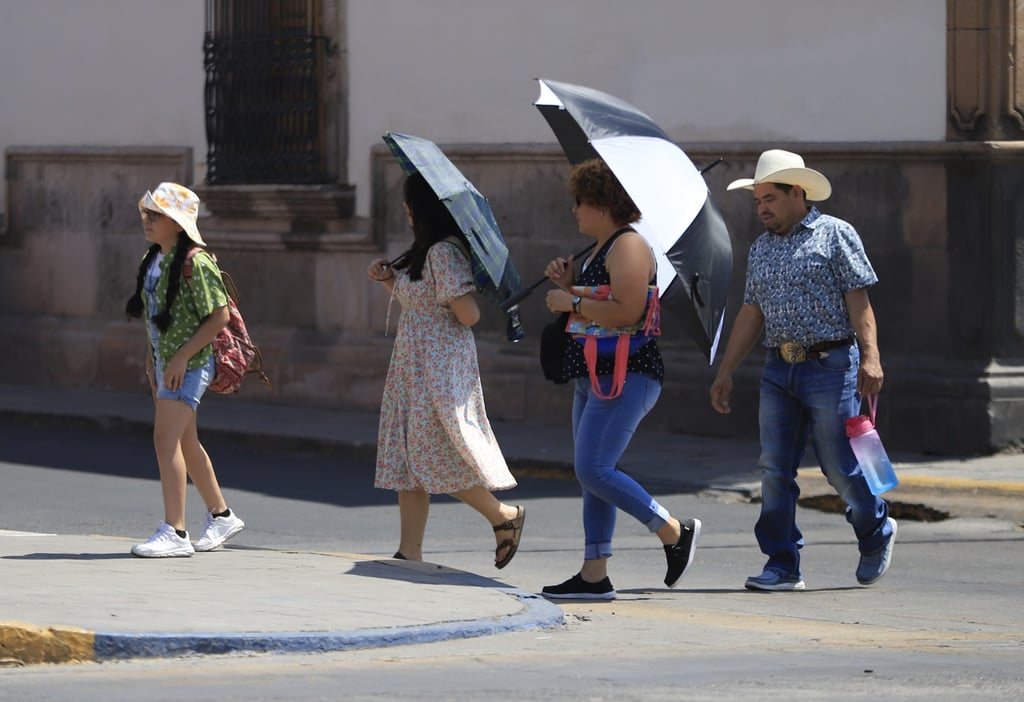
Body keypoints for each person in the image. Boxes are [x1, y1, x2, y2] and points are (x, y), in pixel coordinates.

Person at [710, 149, 896, 591]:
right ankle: (782, 563)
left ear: (798, 193)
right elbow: (751, 313)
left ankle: (875, 530)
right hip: (779, 368)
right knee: (774, 467)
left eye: (770, 198)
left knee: (839, 466)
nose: (762, 209)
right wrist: (726, 371)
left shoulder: (836, 235)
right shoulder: (760, 248)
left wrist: (871, 356)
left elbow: (859, 302)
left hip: (832, 366)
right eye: (757, 202)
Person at [539, 159, 701, 601]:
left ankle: (672, 531)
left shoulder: (628, 246)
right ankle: (594, 574)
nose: (574, 210)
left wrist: (570, 302)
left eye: (580, 201)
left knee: (593, 468)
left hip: (627, 375)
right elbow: (602, 301)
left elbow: (628, 311)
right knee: (592, 474)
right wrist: (571, 286)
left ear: (602, 201)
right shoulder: (601, 248)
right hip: (594, 374)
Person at [367, 172, 525, 569]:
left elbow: (468, 314)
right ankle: (409, 552)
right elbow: (421, 302)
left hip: (436, 369)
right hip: (414, 364)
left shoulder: (442, 252)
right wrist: (390, 281)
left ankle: (503, 515)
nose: (406, 213)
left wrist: (447, 295)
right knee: (408, 457)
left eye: (410, 206)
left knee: (433, 452)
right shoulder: (428, 250)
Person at [124, 182, 245, 558]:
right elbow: (156, 320)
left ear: (177, 222)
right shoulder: (154, 258)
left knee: (165, 441)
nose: (148, 219)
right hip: (168, 364)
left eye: (156, 214)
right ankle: (221, 515)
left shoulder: (196, 261)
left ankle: (175, 531)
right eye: (147, 212)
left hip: (189, 365)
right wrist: (152, 357)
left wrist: (178, 359)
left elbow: (219, 316)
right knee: (185, 442)